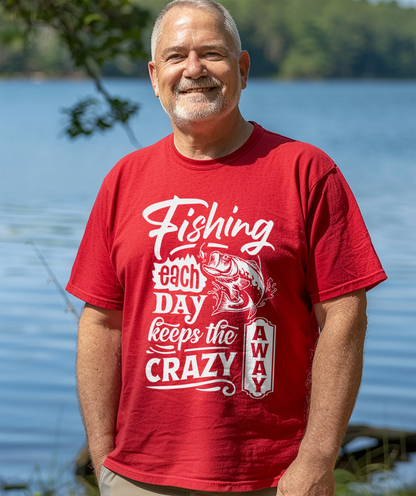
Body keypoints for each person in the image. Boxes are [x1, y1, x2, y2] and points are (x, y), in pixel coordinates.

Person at [66, 1, 387, 495]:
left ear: (242, 69)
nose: (193, 69)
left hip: (270, 477)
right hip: (138, 476)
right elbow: (101, 320)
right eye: (176, 57)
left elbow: (345, 316)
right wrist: (105, 456)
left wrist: (317, 459)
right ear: (155, 77)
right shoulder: (125, 180)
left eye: (212, 53)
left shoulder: (304, 171)